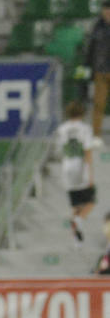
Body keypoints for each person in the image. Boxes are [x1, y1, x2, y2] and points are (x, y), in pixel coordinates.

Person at [55, 101, 97, 243]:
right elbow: (87, 151)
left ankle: (75, 238)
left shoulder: (62, 128)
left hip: (67, 166)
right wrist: (90, 174)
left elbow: (60, 148)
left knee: (75, 205)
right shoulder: (85, 129)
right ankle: (78, 220)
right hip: (80, 165)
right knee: (91, 201)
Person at [84, 0, 110, 136]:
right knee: (98, 105)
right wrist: (88, 67)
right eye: (105, 9)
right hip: (100, 71)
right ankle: (96, 136)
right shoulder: (97, 27)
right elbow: (91, 49)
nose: (107, 12)